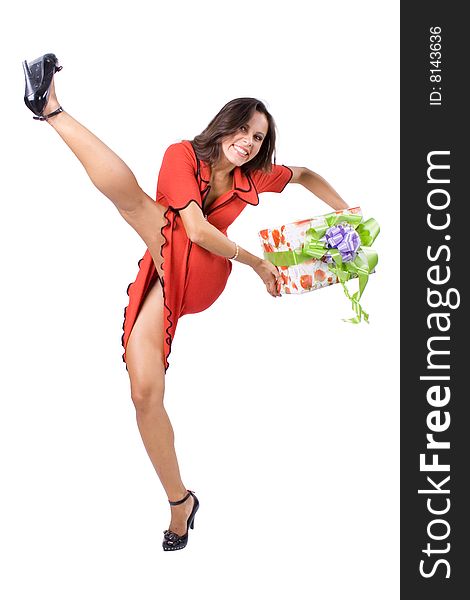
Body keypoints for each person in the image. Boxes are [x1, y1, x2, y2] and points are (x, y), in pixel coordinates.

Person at [23, 53, 349, 551]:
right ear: (223, 127)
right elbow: (194, 227)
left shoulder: (255, 176)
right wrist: (260, 264)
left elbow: (303, 174)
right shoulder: (183, 155)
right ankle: (180, 502)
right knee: (143, 393)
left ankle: (50, 110)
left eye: (259, 137)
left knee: (134, 204)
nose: (249, 142)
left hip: (205, 276)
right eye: (243, 130)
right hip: (169, 266)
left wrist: (347, 213)